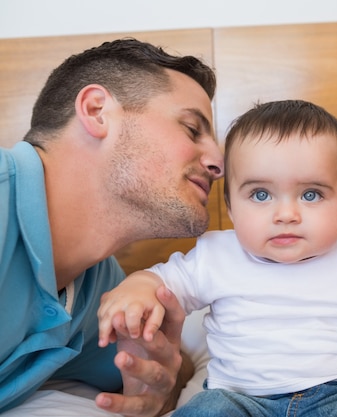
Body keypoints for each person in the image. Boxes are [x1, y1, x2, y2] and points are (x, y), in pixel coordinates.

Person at [98, 99, 337, 417]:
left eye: (311, 194)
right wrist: (139, 286)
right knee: (208, 410)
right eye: (261, 194)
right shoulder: (217, 254)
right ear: (231, 207)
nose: (286, 214)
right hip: (240, 398)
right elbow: (163, 284)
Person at [0, 38, 224, 416]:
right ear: (97, 111)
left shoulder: (96, 287)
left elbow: (156, 371)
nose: (219, 161)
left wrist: (161, 381)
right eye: (191, 129)